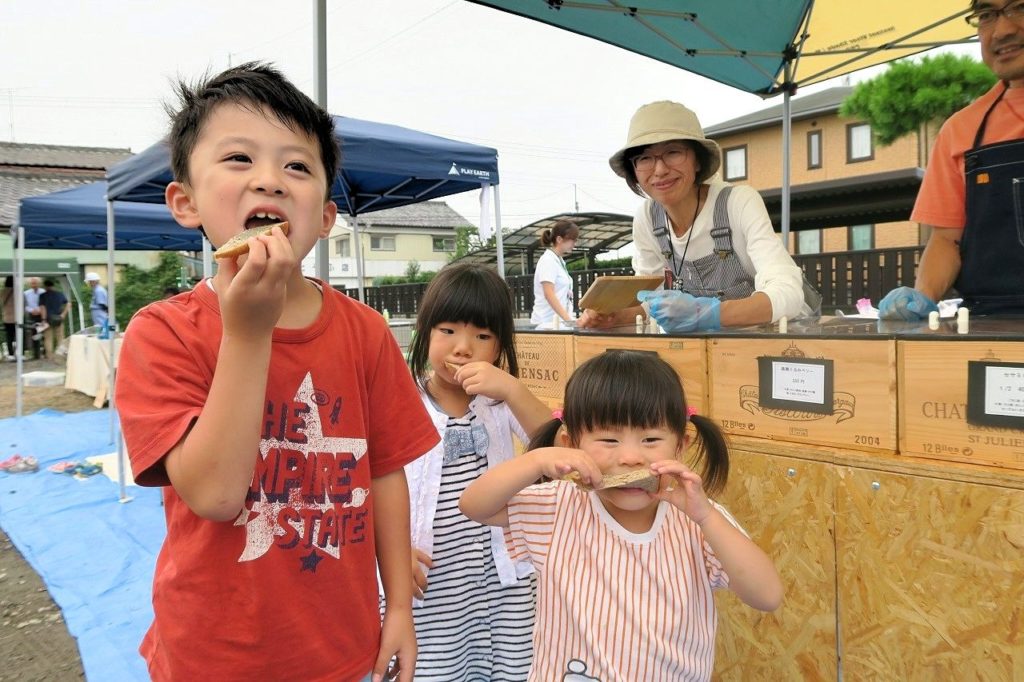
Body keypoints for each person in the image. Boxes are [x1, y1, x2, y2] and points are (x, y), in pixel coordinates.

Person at [115, 62, 439, 682]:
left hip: (340, 644)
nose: (271, 178)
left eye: (297, 166)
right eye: (239, 158)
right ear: (186, 202)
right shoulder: (163, 333)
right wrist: (247, 331)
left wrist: (398, 604)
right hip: (212, 652)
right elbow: (213, 495)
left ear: (325, 218)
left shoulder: (364, 331)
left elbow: (386, 471)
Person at [460, 350, 783, 681]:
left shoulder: (698, 521)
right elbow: (475, 505)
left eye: (650, 439)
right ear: (572, 443)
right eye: (609, 439)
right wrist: (535, 461)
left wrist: (707, 518)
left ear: (680, 445)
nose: (630, 457)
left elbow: (767, 596)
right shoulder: (557, 508)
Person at [402, 262, 549, 681]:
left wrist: (514, 389)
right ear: (424, 332)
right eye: (448, 330)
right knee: (436, 670)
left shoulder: (501, 404)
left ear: (500, 348)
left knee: (516, 669)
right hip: (431, 583)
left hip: (506, 579)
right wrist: (391, 552)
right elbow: (372, 483)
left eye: (482, 336)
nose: (463, 347)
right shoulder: (402, 400)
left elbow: (557, 449)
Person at [578, 101, 815, 333]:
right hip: (709, 348)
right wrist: (613, 317)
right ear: (634, 170)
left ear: (698, 160)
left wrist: (707, 313)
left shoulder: (737, 203)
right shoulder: (648, 219)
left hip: (775, 339)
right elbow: (655, 304)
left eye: (673, 152)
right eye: (644, 158)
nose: (659, 170)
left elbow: (789, 294)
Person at [879, 2, 1024, 319]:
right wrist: (921, 298)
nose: (1002, 30)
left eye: (1019, 7)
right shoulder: (961, 130)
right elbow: (946, 239)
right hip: (992, 325)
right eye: (986, 15)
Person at [530, 219, 579, 329]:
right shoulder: (548, 260)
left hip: (557, 323)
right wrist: (569, 320)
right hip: (546, 324)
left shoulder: (558, 260)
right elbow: (549, 294)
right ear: (559, 239)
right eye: (573, 240)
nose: (574, 244)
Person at [39, 279, 69, 360]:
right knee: (60, 337)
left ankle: (50, 356)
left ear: (45, 286)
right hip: (59, 318)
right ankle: (60, 355)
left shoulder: (42, 295)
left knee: (48, 338)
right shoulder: (60, 294)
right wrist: (63, 314)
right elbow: (68, 304)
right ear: (53, 286)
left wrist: (43, 319)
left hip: (48, 319)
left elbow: (43, 308)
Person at [23, 277, 45, 359]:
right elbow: (24, 305)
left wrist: (40, 310)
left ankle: (45, 352)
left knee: (43, 333)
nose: (34, 285)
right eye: (32, 283)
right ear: (30, 284)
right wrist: (31, 310)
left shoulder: (43, 292)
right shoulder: (26, 293)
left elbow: (46, 303)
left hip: (42, 315)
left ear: (39, 284)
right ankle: (36, 354)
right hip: (32, 316)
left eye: (35, 283)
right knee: (34, 334)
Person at [2, 276, 17, 360]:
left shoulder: (3, 292)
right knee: (18, 336)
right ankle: (18, 353)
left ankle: (10, 354)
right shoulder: (17, 291)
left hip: (7, 317)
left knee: (9, 336)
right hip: (17, 317)